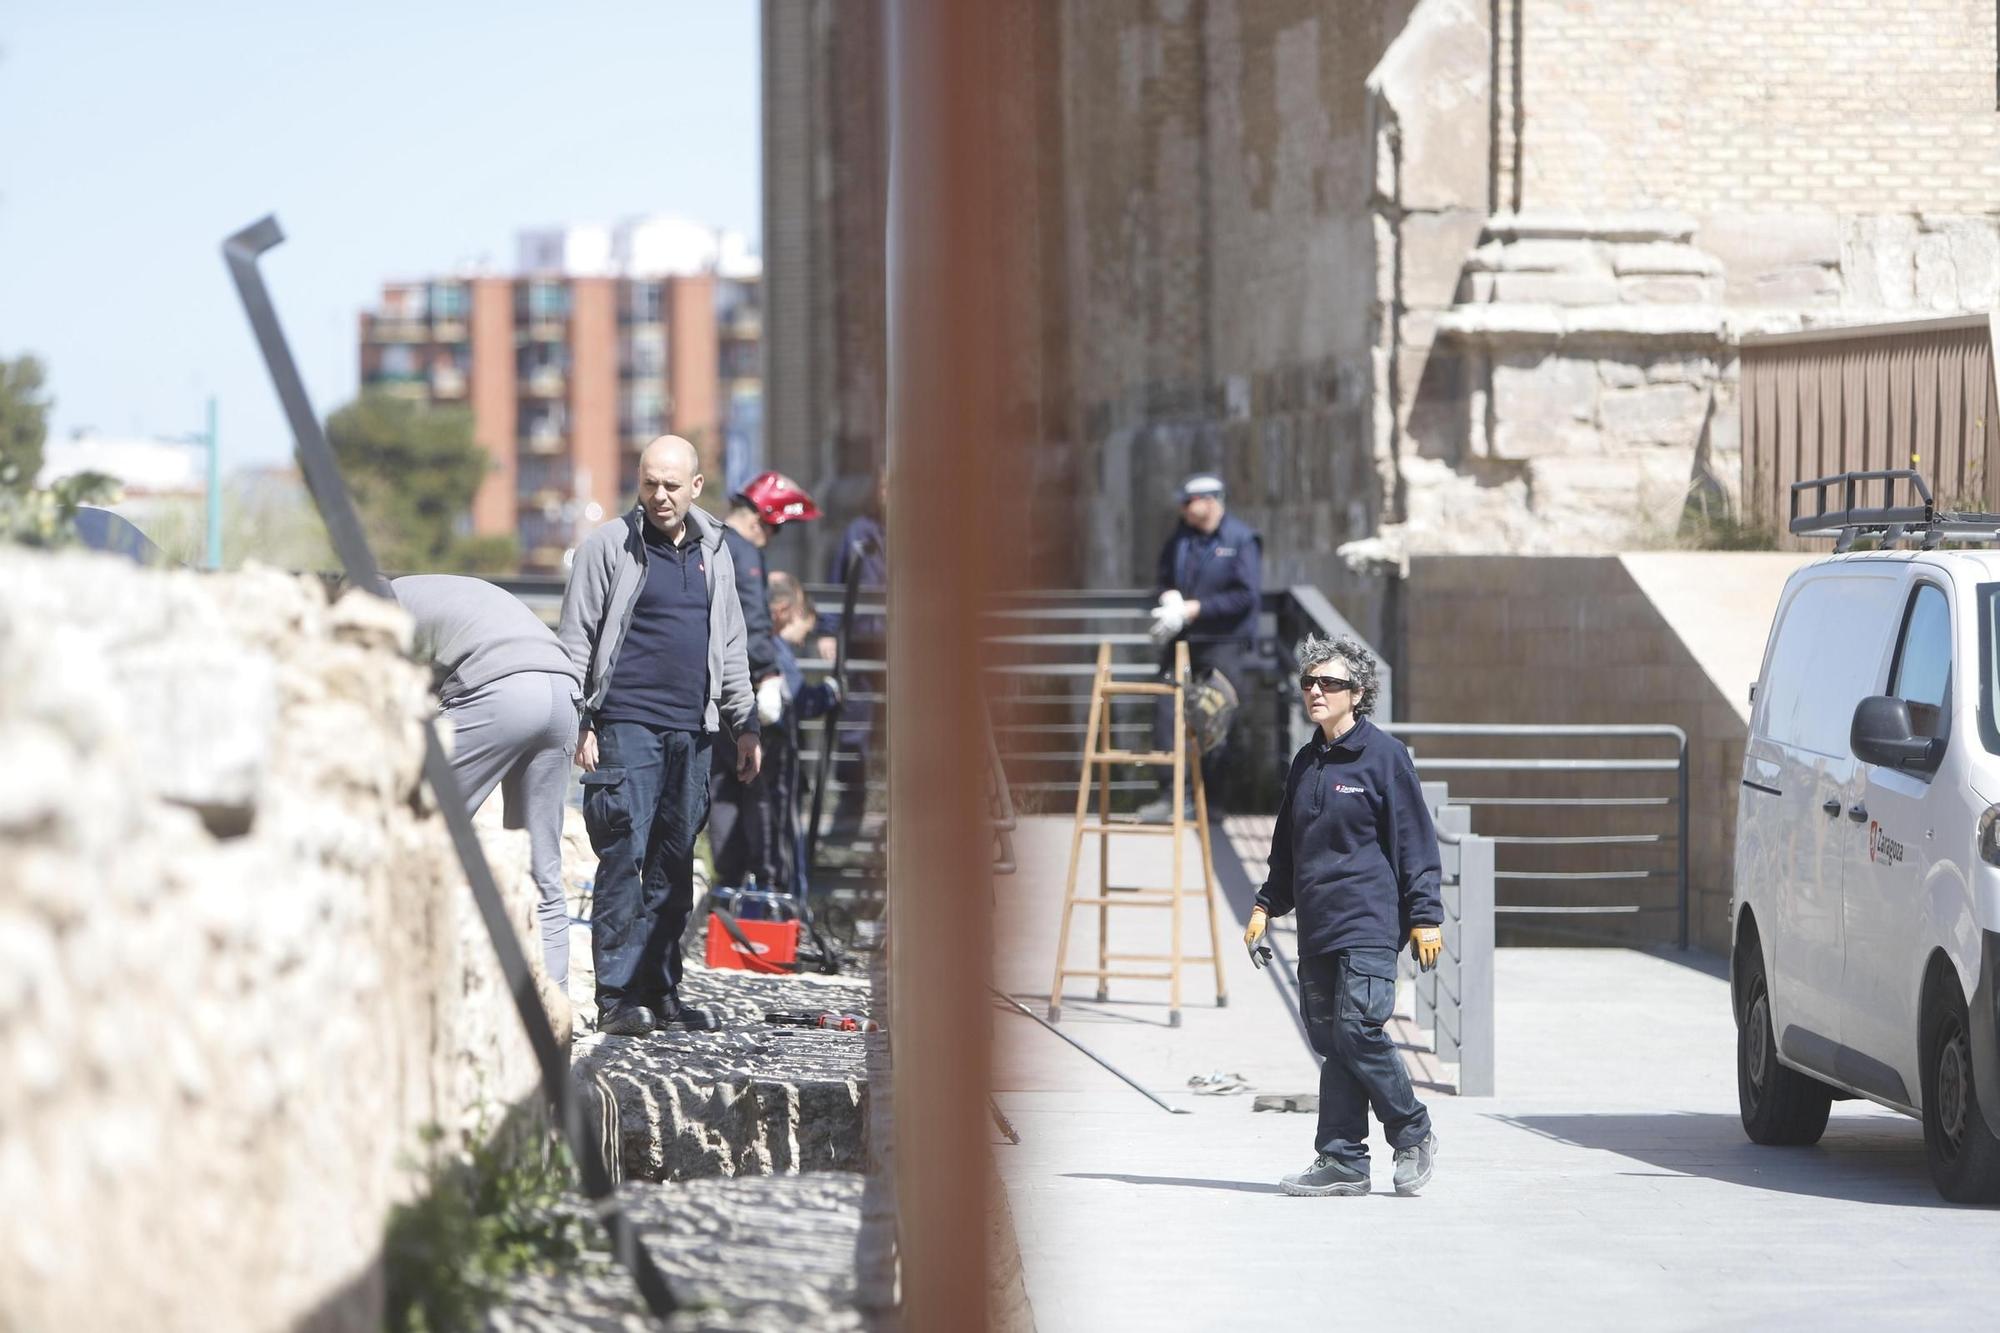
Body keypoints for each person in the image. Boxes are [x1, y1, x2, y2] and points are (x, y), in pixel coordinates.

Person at [558, 435, 760, 1037]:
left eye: (672, 484)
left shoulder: (717, 550)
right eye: (650, 483)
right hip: (625, 728)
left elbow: (731, 643)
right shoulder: (609, 547)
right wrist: (580, 722)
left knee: (674, 864)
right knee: (625, 857)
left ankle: (661, 989)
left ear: (696, 487)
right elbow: (576, 641)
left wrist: (744, 723)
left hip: (692, 732)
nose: (660, 495)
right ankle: (618, 998)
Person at [1244, 633, 1443, 1197]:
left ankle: (1413, 1131)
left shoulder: (1386, 758)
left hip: (1370, 921)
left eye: (1328, 683)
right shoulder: (1306, 762)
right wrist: (1264, 906)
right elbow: (1287, 848)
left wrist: (1425, 916)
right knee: (1334, 1042)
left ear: (1357, 692)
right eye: (1308, 681)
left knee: (1358, 1031)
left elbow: (1415, 845)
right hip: (1319, 924)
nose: (1314, 691)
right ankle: (1342, 1161)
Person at [391, 574, 582, 988]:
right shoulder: (435, 592)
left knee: (421, 832)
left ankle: (412, 982)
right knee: (540, 866)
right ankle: (554, 1013)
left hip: (501, 689)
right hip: (564, 694)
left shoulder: (374, 606)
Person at [709, 471, 822, 896]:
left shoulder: (712, 544)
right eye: (773, 531)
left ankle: (728, 891)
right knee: (762, 793)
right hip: (743, 693)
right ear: (759, 522)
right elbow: (754, 621)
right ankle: (769, 891)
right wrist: (769, 674)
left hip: (713, 695)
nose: (770, 540)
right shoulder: (745, 555)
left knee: (724, 792)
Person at [1137, 472, 1261, 821]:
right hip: (1183, 641)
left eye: (1188, 502)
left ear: (1209, 502)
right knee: (1165, 714)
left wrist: (1196, 609)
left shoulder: (1241, 540)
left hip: (1223, 644)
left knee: (1216, 719)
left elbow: (1245, 597)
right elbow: (1163, 576)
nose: (1183, 509)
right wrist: (1170, 597)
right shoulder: (1181, 538)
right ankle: (1171, 797)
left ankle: (1211, 802)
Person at [813, 472, 888, 833]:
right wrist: (828, 632)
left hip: (904, 649)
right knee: (856, 723)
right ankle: (851, 803)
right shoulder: (860, 531)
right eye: (888, 486)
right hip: (861, 644)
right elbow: (837, 583)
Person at [763, 571, 843, 897]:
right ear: (790, 613)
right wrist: (830, 692)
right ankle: (790, 905)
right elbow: (800, 700)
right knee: (786, 839)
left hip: (775, 761)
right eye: (804, 630)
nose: (802, 640)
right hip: (778, 762)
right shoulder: (777, 652)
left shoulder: (771, 648)